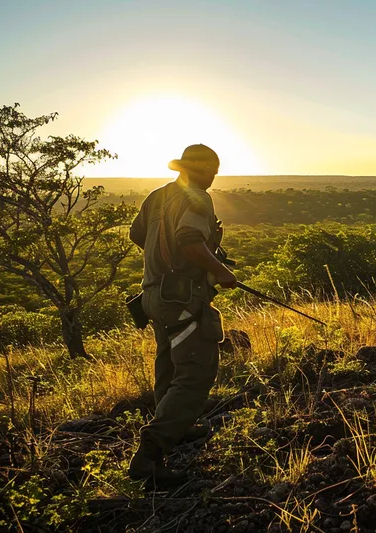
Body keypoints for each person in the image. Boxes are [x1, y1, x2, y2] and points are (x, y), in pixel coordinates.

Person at [127, 144, 237, 485]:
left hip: (153, 296)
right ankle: (150, 454)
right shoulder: (197, 199)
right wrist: (221, 271)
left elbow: (137, 235)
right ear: (193, 169)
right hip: (182, 300)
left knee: (170, 365)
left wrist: (163, 262)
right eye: (209, 169)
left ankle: (179, 428)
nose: (213, 175)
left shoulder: (157, 196)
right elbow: (190, 239)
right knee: (196, 371)